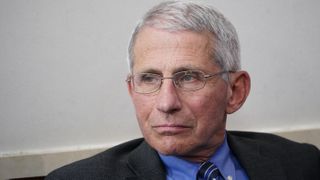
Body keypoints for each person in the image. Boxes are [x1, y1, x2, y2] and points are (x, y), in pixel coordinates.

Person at [46, 1, 320, 180]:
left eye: (189, 77)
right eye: (149, 79)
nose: (166, 103)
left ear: (235, 92)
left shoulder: (303, 164)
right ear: (132, 90)